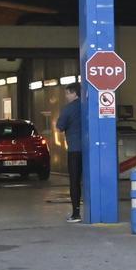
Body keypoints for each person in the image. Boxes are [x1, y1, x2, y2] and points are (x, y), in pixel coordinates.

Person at [56, 83, 83, 223]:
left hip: (74, 150)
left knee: (75, 181)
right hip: (90, 151)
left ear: (74, 93)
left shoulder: (68, 109)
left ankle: (76, 213)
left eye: (68, 93)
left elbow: (60, 127)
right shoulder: (87, 106)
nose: (66, 96)